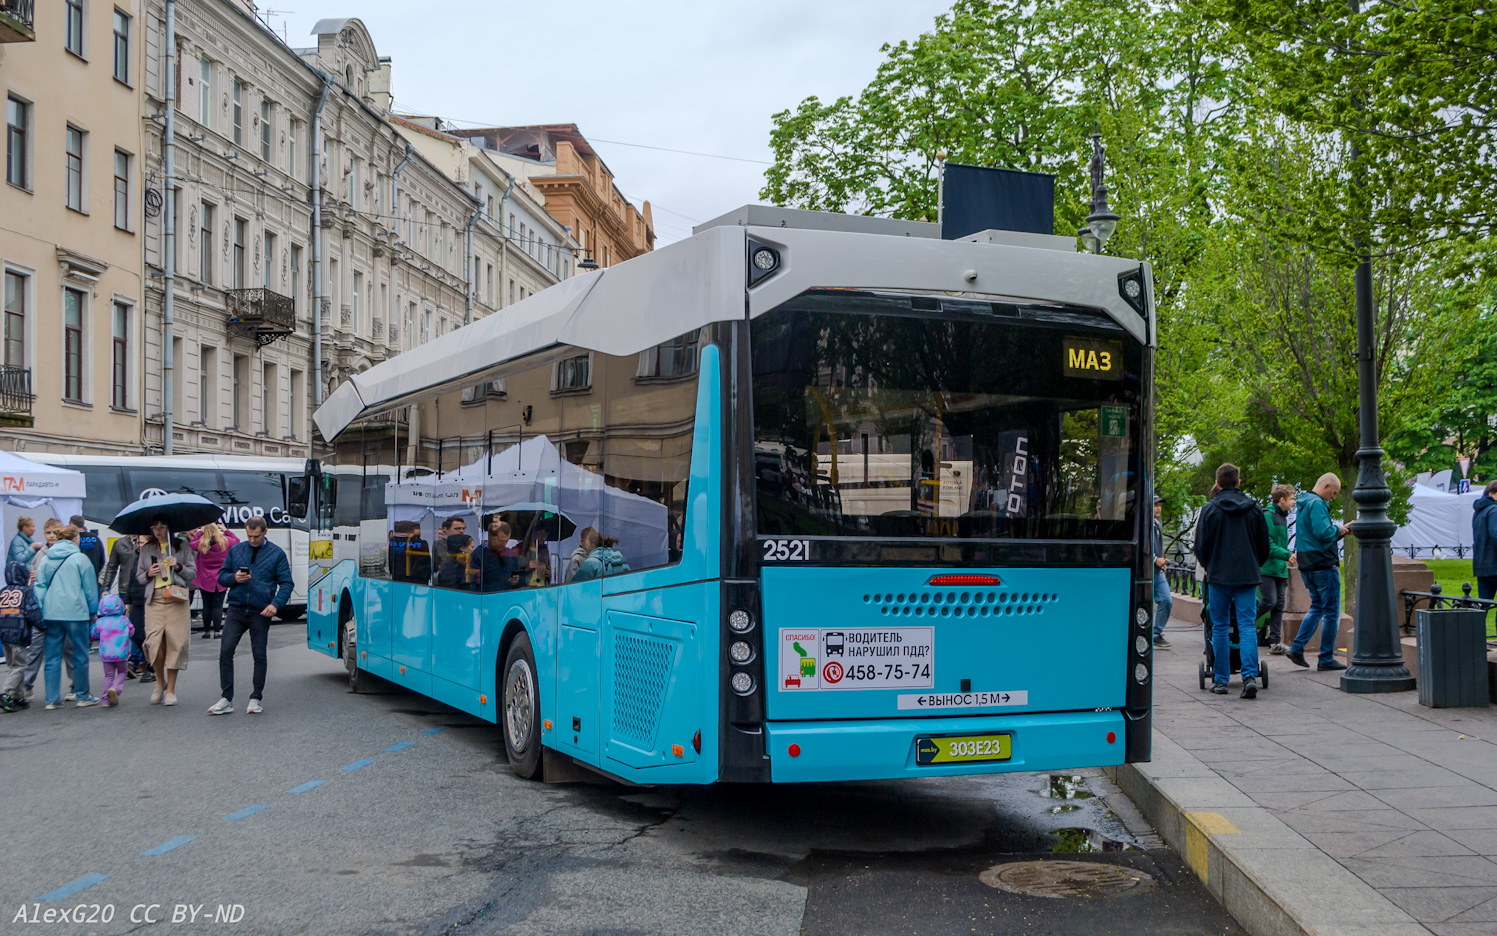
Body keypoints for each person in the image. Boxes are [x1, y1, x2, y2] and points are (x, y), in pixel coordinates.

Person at [1193, 464, 1270, 699]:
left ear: (1217, 483)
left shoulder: (1209, 510)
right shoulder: (1254, 509)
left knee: (1219, 626)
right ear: (1238, 482)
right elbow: (1263, 545)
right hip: (1247, 575)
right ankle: (1248, 677)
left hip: (1218, 576)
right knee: (1247, 625)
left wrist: (1209, 565)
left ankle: (1221, 679)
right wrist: (1254, 563)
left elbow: (1200, 546)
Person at [208, 516, 292, 716]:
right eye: (249, 535)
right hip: (236, 608)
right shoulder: (236, 550)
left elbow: (287, 583)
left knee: (259, 654)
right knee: (226, 651)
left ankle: (256, 698)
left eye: (256, 536)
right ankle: (226, 699)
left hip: (260, 611)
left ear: (265, 532)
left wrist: (275, 604)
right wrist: (234, 578)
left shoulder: (277, 554)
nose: (252, 539)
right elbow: (222, 576)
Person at [1287, 473, 1352, 671]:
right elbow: (1323, 533)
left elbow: (1313, 536)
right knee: (1332, 612)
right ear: (1326, 486)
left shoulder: (1304, 503)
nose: (1333, 498)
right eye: (1333, 493)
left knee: (1317, 607)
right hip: (1323, 564)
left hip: (1307, 563)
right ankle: (1325, 658)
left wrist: (1338, 532)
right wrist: (1339, 530)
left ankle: (1297, 647)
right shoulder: (1317, 504)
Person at [34, 525, 102, 709]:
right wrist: (92, 611)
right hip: (76, 612)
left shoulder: (47, 559)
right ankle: (82, 695)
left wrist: (41, 610)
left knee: (53, 657)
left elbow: (39, 587)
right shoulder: (81, 559)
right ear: (74, 539)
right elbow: (90, 588)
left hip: (51, 612)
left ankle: (52, 699)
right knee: (79, 654)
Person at [136, 521, 196, 706]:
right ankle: (160, 682)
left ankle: (171, 689)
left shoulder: (181, 546)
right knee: (154, 643)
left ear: (169, 528)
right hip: (155, 599)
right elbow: (139, 577)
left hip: (176, 598)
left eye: (161, 527)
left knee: (175, 643)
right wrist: (148, 574)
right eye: (154, 528)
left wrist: (178, 567)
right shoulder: (147, 549)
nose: (157, 531)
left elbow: (192, 573)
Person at [22, 519, 73, 701]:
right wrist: (31, 579)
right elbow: (31, 578)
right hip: (42, 608)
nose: (51, 535)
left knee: (68, 647)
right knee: (35, 648)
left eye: (54, 532)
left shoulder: (68, 551)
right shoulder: (39, 553)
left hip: (61, 606)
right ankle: (25, 686)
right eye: (48, 532)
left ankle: (75, 685)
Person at [0, 560, 42, 712]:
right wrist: (42, 626)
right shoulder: (26, 592)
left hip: (4, 635)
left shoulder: (3, 591)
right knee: (21, 666)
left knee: (13, 666)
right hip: (19, 634)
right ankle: (5, 693)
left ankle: (17, 697)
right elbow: (32, 612)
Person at [1259, 484, 1295, 654]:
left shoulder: (1282, 517)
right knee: (1269, 601)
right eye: (1292, 499)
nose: (1293, 502)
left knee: (1279, 605)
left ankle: (1274, 642)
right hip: (1267, 568)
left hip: (1279, 569)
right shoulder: (1268, 515)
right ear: (1282, 499)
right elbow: (1267, 544)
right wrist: (1287, 555)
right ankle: (1242, 625)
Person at [190, 523, 238, 640]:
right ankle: (217, 631)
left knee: (206, 606)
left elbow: (191, 544)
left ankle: (207, 631)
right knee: (218, 606)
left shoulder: (202, 544)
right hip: (220, 579)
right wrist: (226, 530)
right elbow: (237, 540)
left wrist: (200, 531)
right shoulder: (225, 542)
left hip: (205, 579)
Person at [90, 594, 133, 707]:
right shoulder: (124, 620)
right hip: (121, 653)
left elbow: (94, 634)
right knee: (123, 672)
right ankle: (115, 688)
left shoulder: (100, 622)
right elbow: (132, 631)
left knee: (109, 675)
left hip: (106, 654)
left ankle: (105, 699)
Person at [1151, 498, 1173, 650]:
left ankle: (1156, 634)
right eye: (1155, 505)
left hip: (1158, 572)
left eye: (1159, 505)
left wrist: (1161, 561)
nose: (1158, 508)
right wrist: (1154, 559)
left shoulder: (1157, 525)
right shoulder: (1144, 525)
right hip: (1146, 571)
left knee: (1167, 600)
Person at [1475, 480, 1497, 603]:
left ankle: (1478, 623)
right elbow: (1495, 534)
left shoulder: (1480, 511)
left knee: (1483, 604)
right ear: (1492, 493)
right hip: (1494, 563)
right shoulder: (1494, 510)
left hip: (1482, 564)